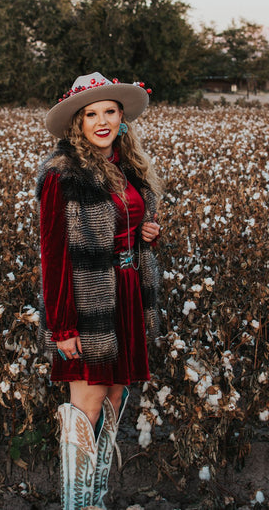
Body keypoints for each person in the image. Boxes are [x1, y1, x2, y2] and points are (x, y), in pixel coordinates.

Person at [36, 72, 161, 510]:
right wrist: (62, 326)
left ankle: (96, 503)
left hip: (126, 294)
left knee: (113, 399)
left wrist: (147, 234)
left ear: (122, 118)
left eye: (110, 111)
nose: (102, 121)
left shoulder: (124, 168)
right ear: (78, 122)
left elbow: (124, 226)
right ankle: (76, 506)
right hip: (88, 302)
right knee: (86, 404)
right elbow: (53, 256)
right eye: (92, 114)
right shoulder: (62, 175)